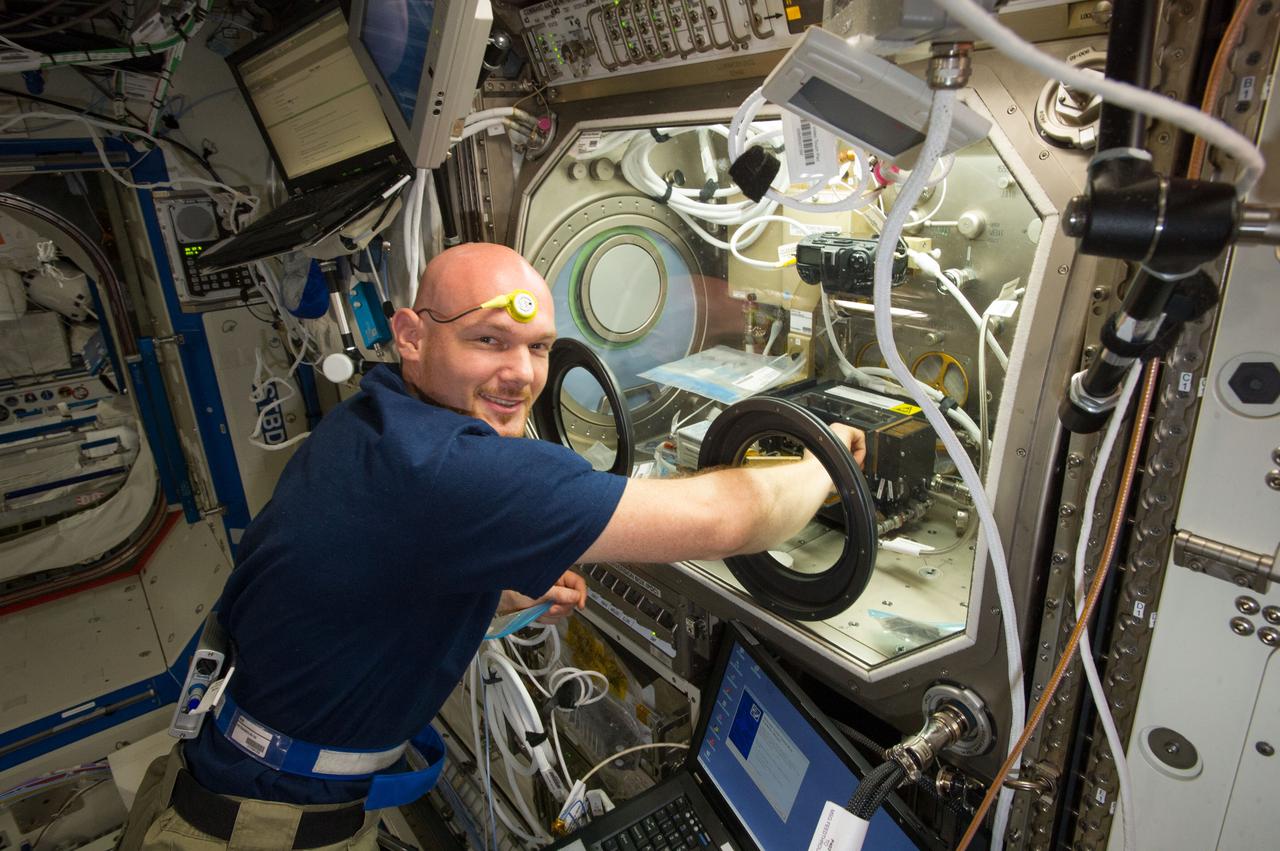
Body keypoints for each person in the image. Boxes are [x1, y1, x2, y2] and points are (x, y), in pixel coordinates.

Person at [118, 243, 865, 849]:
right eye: (488, 340)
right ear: (411, 335)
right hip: (258, 829)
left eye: (538, 348)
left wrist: (485, 594)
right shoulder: (451, 471)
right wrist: (827, 466)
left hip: (219, 777)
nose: (521, 374)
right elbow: (721, 520)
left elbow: (371, 571)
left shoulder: (372, 417)